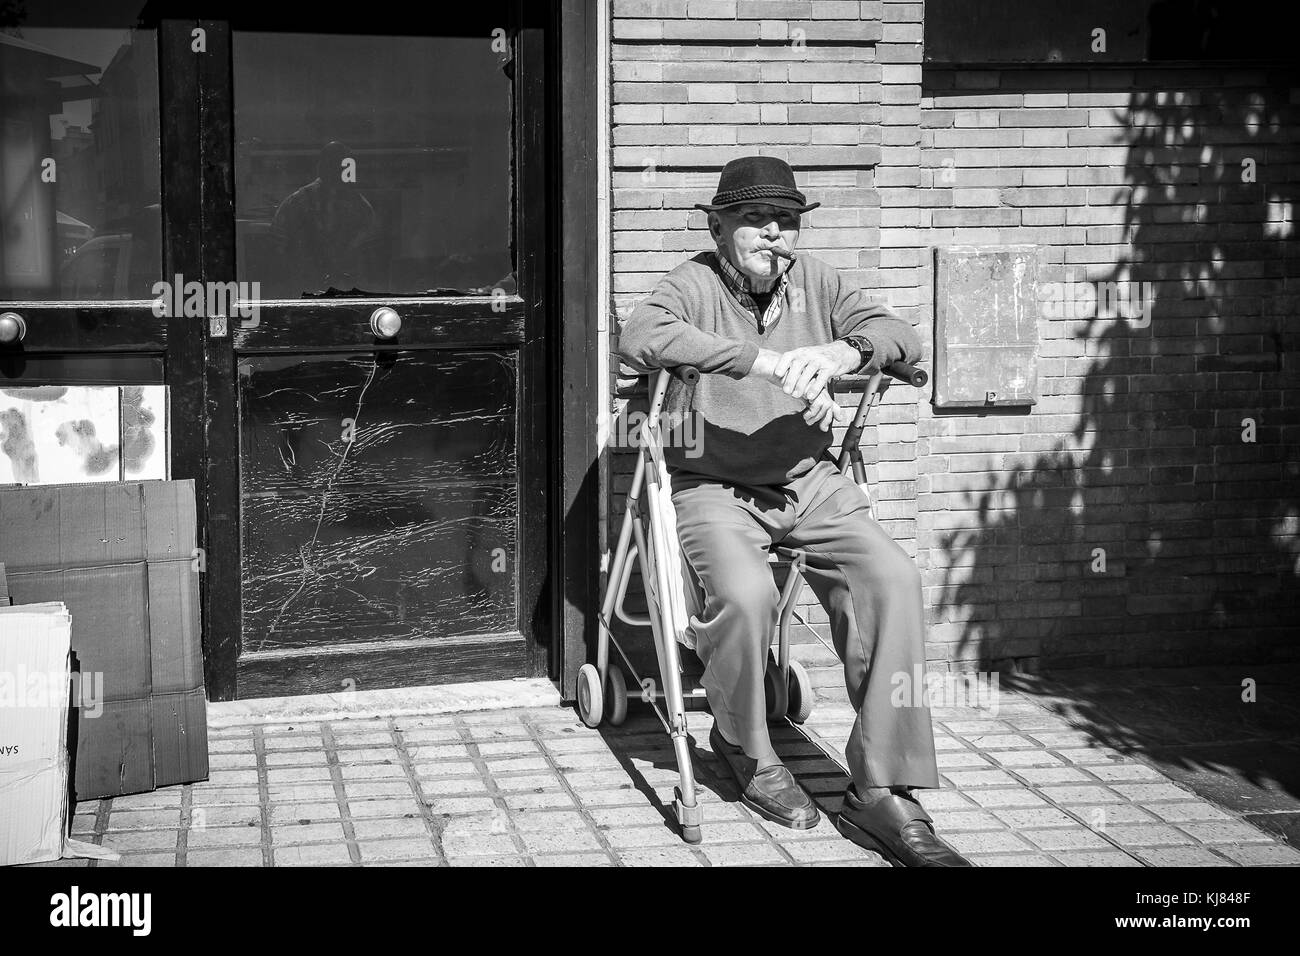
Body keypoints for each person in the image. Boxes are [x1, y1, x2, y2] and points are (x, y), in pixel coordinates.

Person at [617, 156, 972, 867]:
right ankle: (744, 748)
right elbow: (640, 338)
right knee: (746, 597)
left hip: (811, 479)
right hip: (712, 484)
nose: (773, 232)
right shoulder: (691, 282)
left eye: (785, 220)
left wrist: (844, 349)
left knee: (893, 579)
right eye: (754, 218)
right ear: (719, 225)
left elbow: (902, 335)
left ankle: (882, 789)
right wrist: (765, 363)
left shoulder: (818, 281)